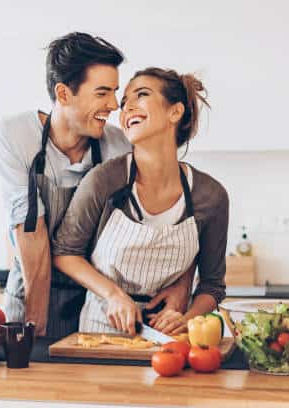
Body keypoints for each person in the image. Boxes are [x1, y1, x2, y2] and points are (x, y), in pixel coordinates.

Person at [0, 34, 193, 337]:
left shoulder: (120, 145)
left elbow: (174, 217)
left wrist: (182, 284)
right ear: (63, 94)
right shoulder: (15, 135)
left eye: (114, 92)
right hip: (31, 291)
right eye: (102, 93)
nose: (114, 105)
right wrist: (34, 330)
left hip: (95, 305)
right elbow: (30, 233)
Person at [52, 67, 228, 335]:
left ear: (175, 112)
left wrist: (188, 318)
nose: (126, 107)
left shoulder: (210, 196)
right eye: (124, 103)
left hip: (170, 337)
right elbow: (65, 253)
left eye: (141, 95)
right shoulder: (104, 180)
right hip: (100, 332)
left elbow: (212, 285)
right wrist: (113, 294)